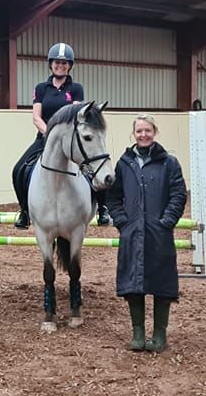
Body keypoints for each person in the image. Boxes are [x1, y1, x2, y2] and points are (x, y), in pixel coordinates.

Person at [105, 115, 186, 352]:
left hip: (158, 233)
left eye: (147, 130)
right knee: (133, 283)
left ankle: (159, 334)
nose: (143, 135)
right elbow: (113, 196)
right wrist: (122, 221)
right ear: (133, 134)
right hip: (132, 233)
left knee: (162, 282)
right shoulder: (123, 164)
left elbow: (178, 194)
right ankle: (138, 333)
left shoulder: (169, 163)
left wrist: (167, 221)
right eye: (139, 131)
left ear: (154, 132)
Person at [10, 42, 110, 230]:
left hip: (70, 141)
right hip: (44, 139)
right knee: (19, 169)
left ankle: (102, 208)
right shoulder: (41, 88)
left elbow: (77, 116)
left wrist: (63, 137)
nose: (60, 65)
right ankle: (24, 211)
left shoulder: (76, 88)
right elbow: (36, 117)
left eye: (64, 63)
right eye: (57, 62)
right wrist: (50, 135)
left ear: (70, 66)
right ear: (51, 63)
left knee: (93, 167)